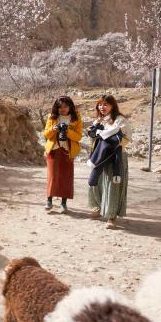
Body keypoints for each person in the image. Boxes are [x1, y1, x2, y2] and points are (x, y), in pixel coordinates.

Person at [87, 95, 128, 230]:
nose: (102, 107)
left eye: (105, 104)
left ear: (112, 106)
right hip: (99, 156)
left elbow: (126, 138)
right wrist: (95, 129)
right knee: (97, 182)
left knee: (112, 186)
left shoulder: (120, 120)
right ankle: (97, 207)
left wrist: (108, 140)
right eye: (100, 105)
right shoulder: (99, 121)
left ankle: (111, 216)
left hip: (115, 156)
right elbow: (92, 137)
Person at [43, 96, 82, 213]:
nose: (63, 109)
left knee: (66, 177)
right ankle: (49, 200)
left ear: (71, 106)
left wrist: (67, 131)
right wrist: (54, 129)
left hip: (68, 151)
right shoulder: (52, 117)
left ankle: (63, 204)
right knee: (52, 176)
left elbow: (79, 136)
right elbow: (46, 134)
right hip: (54, 150)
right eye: (60, 107)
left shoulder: (76, 118)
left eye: (65, 106)